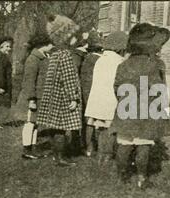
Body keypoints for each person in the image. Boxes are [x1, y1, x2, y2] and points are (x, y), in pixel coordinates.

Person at [112, 23, 170, 189]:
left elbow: (116, 87)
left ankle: (121, 177)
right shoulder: (155, 64)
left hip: (126, 108)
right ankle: (141, 178)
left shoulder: (122, 65)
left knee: (124, 144)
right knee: (143, 145)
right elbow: (159, 88)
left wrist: (124, 99)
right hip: (146, 111)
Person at [36, 14, 82, 167]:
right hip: (62, 96)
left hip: (52, 96)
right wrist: (73, 98)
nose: (76, 39)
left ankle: (57, 156)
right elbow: (68, 78)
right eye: (73, 36)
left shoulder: (54, 53)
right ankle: (61, 158)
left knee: (56, 127)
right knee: (61, 128)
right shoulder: (66, 54)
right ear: (66, 37)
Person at [84, 31, 128, 160]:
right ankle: (107, 155)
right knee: (110, 128)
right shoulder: (118, 62)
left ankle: (99, 153)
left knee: (100, 127)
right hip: (110, 99)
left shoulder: (100, 60)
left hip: (97, 98)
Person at [13, 33, 54, 159]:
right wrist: (31, 99)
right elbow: (29, 81)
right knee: (30, 122)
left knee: (35, 123)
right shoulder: (33, 59)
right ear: (43, 45)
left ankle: (32, 148)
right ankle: (27, 150)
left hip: (38, 97)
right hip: (32, 98)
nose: (52, 46)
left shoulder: (43, 57)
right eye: (50, 44)